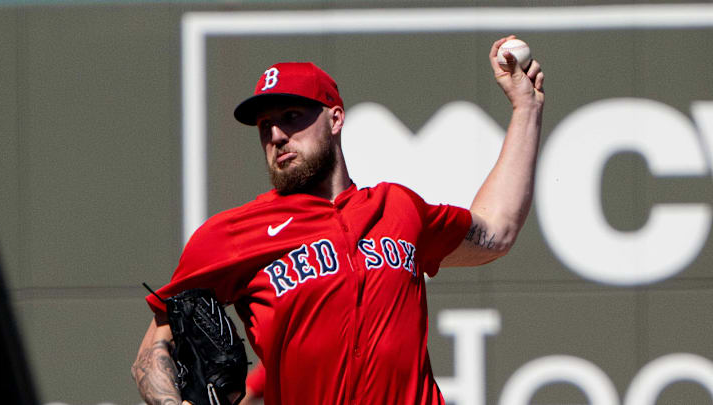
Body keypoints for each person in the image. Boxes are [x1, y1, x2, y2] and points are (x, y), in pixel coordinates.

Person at [132, 35, 544, 405]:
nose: (276, 134)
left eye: (291, 116)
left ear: (335, 119)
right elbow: (153, 350)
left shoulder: (396, 208)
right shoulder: (231, 235)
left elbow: (497, 229)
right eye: (265, 125)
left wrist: (526, 108)